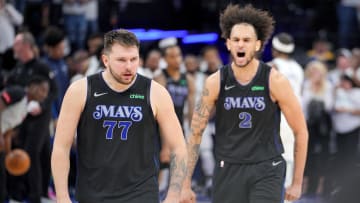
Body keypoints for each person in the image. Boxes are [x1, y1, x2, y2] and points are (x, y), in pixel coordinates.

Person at [180, 4, 308, 203]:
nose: (241, 45)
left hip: (267, 168)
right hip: (228, 167)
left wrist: (297, 182)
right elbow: (195, 132)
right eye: (236, 40)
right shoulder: (215, 82)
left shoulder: (275, 81)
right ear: (228, 44)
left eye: (246, 40)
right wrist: (185, 183)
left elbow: (301, 130)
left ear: (257, 45)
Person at [51, 29, 187, 203]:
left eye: (134, 59)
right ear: (105, 60)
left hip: (141, 193)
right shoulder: (81, 90)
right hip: (93, 193)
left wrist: (174, 195)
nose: (129, 66)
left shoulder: (155, 92)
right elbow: (61, 147)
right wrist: (62, 197)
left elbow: (179, 147)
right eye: (121, 60)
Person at [268, 32, 304, 203]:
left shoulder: (271, 66)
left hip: (276, 116)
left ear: (274, 48)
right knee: (289, 156)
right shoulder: (298, 68)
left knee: (271, 156)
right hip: (294, 115)